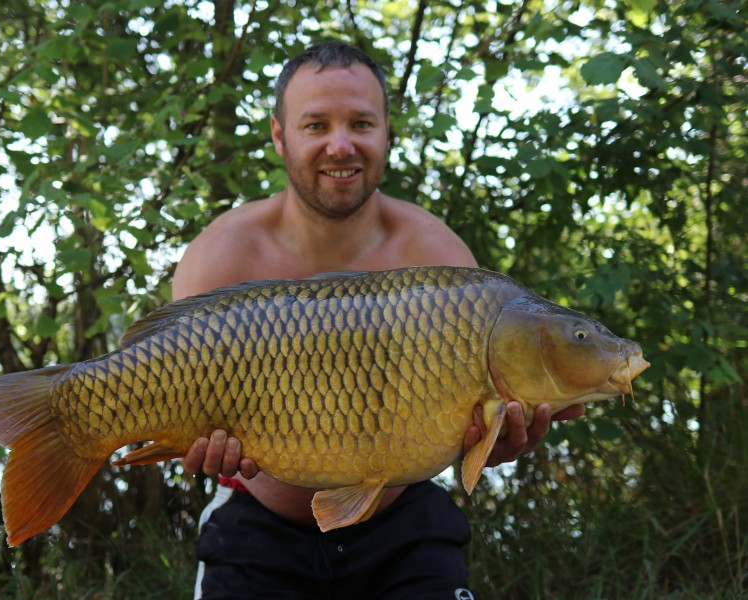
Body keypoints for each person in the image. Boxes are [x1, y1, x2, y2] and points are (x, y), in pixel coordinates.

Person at [172, 41, 584, 599]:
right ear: (279, 135)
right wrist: (192, 444)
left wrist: (496, 441)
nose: (340, 144)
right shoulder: (222, 254)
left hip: (402, 523)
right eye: (316, 125)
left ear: (387, 132)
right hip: (254, 524)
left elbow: (475, 423)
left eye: (361, 123)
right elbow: (179, 410)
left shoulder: (437, 255)